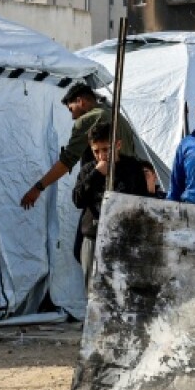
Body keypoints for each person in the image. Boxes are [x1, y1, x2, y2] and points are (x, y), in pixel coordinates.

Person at [20, 81, 135, 211]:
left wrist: (38, 187)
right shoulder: (118, 117)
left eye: (71, 109)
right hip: (130, 191)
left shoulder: (88, 119)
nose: (73, 117)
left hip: (103, 195)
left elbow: (67, 161)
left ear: (80, 101)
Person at [72, 121, 155, 288]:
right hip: (93, 235)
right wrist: (96, 174)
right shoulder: (88, 170)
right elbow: (77, 200)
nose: (102, 156)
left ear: (117, 145)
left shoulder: (132, 168)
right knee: (92, 290)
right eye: (96, 151)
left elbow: (142, 201)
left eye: (106, 149)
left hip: (123, 237)